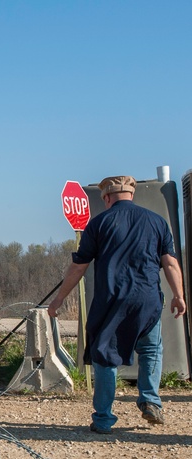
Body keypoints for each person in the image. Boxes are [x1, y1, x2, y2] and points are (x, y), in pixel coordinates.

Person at [47, 175, 186, 435]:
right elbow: (170, 263)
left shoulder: (99, 223)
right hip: (148, 300)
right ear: (131, 195)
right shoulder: (157, 221)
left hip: (111, 300)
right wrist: (179, 295)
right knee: (151, 350)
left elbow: (79, 266)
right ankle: (151, 400)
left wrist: (58, 299)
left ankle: (103, 419)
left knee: (105, 358)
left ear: (107, 197)